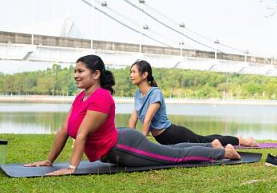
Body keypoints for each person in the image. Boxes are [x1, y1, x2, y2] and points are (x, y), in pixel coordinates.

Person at [25, 55, 240, 176]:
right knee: (165, 151)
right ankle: (213, 146)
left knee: (172, 158)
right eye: (75, 71)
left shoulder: (100, 97)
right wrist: (48, 160)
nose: (76, 75)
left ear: (96, 74)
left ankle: (224, 154)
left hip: (124, 146)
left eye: (80, 71)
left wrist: (71, 168)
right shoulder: (80, 98)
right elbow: (64, 130)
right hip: (120, 142)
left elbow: (81, 134)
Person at [128, 60, 258, 147]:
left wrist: (140, 143)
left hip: (172, 134)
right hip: (162, 138)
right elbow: (133, 119)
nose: (131, 75)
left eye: (134, 72)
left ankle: (244, 141)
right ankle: (237, 138)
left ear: (145, 74)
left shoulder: (155, 93)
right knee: (204, 138)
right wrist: (129, 140)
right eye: (130, 72)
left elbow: (147, 120)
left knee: (206, 141)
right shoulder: (137, 95)